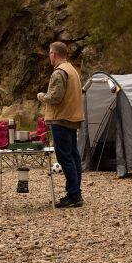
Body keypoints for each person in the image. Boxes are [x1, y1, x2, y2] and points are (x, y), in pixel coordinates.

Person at [37, 42, 86, 208]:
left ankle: (73, 195)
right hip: (72, 118)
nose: (49, 56)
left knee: (65, 157)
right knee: (73, 156)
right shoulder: (72, 70)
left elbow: (55, 97)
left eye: (50, 53)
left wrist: (42, 96)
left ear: (54, 54)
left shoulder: (59, 72)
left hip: (61, 118)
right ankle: (76, 193)